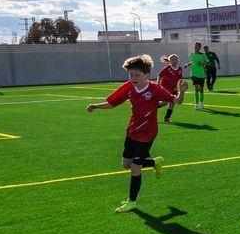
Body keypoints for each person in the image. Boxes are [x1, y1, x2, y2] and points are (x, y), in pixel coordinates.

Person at [86, 55, 187, 213]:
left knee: (135, 167)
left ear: (147, 75)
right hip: (133, 130)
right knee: (126, 165)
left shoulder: (155, 89)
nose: (133, 78)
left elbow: (177, 101)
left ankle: (132, 201)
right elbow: (112, 103)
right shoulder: (128, 87)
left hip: (148, 133)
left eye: (137, 75)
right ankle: (154, 162)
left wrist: (181, 92)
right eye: (130, 75)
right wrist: (96, 106)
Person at [156, 54, 184, 123]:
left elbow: (180, 78)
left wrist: (180, 86)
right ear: (170, 61)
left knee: (172, 103)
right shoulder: (168, 68)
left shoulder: (180, 68)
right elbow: (159, 76)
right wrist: (158, 84)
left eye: (176, 59)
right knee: (165, 102)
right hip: (165, 88)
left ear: (178, 60)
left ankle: (166, 118)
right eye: (173, 59)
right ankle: (153, 107)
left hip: (174, 88)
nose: (174, 61)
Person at [183, 42, 208, 109]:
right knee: (196, 87)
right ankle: (196, 104)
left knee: (201, 89)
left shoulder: (203, 55)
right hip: (193, 74)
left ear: (200, 48)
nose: (196, 47)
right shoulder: (192, 54)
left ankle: (201, 103)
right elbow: (192, 62)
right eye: (195, 46)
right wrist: (187, 64)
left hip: (201, 74)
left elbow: (208, 63)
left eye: (197, 46)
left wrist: (202, 63)